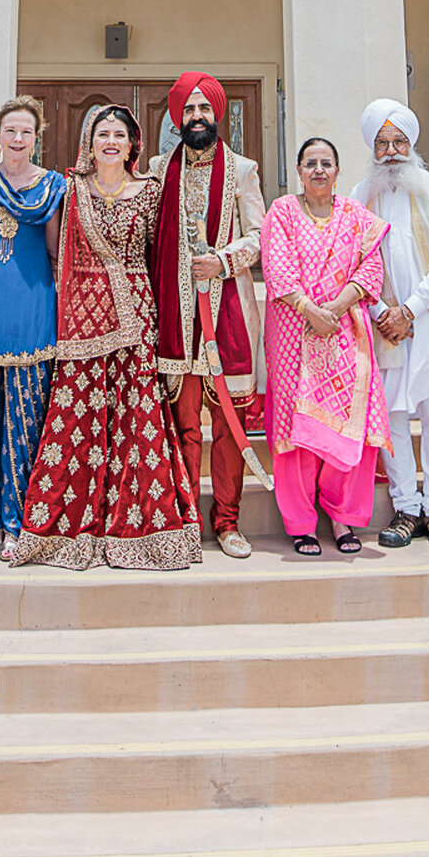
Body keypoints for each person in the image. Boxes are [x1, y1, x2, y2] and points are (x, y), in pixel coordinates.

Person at [10, 105, 202, 571]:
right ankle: (70, 529)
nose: (111, 141)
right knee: (78, 418)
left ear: (134, 144)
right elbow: (56, 253)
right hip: (80, 322)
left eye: (120, 134)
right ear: (89, 144)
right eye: (102, 134)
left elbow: (163, 258)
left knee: (138, 420)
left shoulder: (152, 192)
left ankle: (143, 531)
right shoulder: (69, 191)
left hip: (136, 316)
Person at [148, 71, 266, 560]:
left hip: (228, 312)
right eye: (188, 110)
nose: (197, 117)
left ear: (216, 113)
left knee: (226, 426)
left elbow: (260, 237)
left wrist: (222, 259)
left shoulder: (242, 170)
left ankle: (228, 521)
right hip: (173, 314)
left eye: (204, 108)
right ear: (178, 117)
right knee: (183, 426)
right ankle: (186, 518)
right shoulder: (157, 168)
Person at [260, 137, 391, 556]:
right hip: (293, 332)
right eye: (310, 163)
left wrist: (335, 307)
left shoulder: (356, 216)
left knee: (350, 425)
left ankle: (342, 519)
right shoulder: (281, 211)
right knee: (295, 429)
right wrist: (309, 310)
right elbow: (277, 266)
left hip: (344, 330)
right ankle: (300, 523)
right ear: (298, 171)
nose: (319, 170)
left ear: (337, 171)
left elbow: (372, 266)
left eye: (326, 163)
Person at [351, 99, 429, 550]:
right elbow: (353, 261)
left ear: (411, 143)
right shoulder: (361, 194)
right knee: (393, 415)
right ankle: (406, 507)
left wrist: (410, 311)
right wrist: (382, 312)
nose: (392, 150)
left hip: (428, 318)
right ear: (372, 147)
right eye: (383, 143)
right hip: (382, 324)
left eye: (400, 141)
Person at [0, 97, 65, 560]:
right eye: (10, 131)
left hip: (32, 308)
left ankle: (19, 518)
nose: (17, 139)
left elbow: (55, 252)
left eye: (26, 132)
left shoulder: (52, 187)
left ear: (36, 136)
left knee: (26, 419)